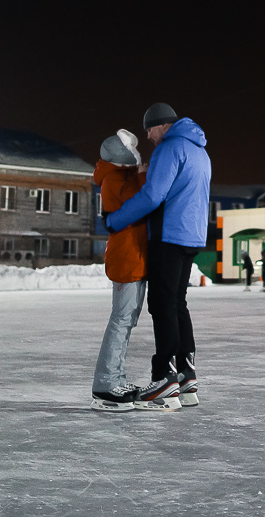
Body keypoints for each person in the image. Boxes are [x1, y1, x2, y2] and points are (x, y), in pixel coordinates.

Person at [108, 103, 211, 410]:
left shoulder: (170, 148)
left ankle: (164, 378)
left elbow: (153, 195)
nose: (149, 137)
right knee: (178, 303)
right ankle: (185, 372)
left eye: (149, 130)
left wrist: (116, 219)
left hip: (169, 234)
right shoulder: (200, 151)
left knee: (162, 304)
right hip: (192, 235)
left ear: (161, 125)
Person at [90, 130, 151, 412]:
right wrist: (142, 174)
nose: (137, 152)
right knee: (121, 320)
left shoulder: (118, 176)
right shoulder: (115, 178)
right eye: (131, 149)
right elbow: (139, 201)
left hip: (133, 257)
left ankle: (115, 377)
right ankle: (105, 384)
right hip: (126, 258)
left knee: (127, 320)